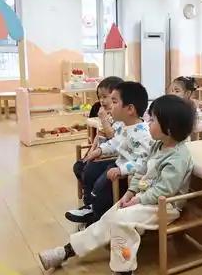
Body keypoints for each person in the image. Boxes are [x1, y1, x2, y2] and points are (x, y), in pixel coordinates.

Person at [39, 94, 195, 275]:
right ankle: (67, 251)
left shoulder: (178, 156)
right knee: (109, 216)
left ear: (169, 127)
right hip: (145, 198)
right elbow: (141, 171)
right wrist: (130, 193)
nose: (148, 122)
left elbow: (165, 190)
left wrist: (137, 200)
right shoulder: (157, 146)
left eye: (153, 120)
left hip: (166, 206)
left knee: (121, 221)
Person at [65, 81, 152, 224]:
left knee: (100, 186)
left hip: (127, 172)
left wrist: (121, 170)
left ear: (130, 109)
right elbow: (115, 142)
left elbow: (143, 162)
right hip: (118, 163)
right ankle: (91, 207)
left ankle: (98, 216)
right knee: (90, 169)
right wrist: (100, 150)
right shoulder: (123, 125)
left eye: (115, 102)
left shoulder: (143, 134)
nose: (111, 106)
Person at [73, 76, 124, 191]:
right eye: (99, 97)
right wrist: (90, 152)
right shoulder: (105, 113)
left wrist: (104, 119)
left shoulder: (119, 116)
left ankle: (92, 193)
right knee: (79, 166)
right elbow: (99, 135)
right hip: (100, 152)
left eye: (105, 97)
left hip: (111, 155)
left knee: (90, 170)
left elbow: (112, 136)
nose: (101, 100)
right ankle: (90, 190)